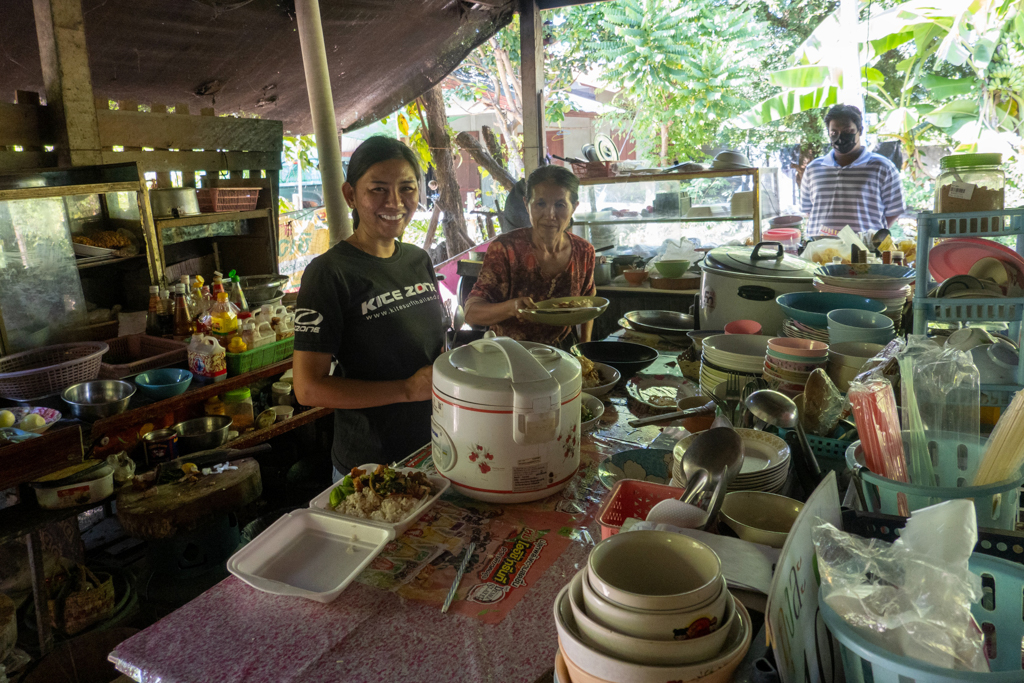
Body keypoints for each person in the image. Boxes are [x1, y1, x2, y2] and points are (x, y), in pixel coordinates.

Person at [292, 136, 445, 480]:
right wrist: (407, 389)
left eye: (407, 188)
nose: (394, 201)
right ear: (350, 195)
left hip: (433, 449)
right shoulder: (329, 273)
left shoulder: (418, 260)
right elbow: (308, 388)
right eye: (377, 189)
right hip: (371, 466)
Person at [464, 165, 596, 348]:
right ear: (527, 205)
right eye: (540, 204)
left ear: (574, 207)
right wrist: (511, 307)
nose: (550, 215)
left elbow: (588, 301)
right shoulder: (505, 249)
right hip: (510, 355)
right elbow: (471, 313)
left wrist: (585, 349)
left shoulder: (584, 251)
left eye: (560, 205)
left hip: (562, 354)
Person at [800, 104, 906, 238]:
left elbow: (894, 210)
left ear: (860, 130)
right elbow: (808, 210)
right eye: (834, 133)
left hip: (864, 254)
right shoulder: (813, 169)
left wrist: (869, 238)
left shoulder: (882, 167)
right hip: (819, 252)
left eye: (847, 131)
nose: (840, 137)